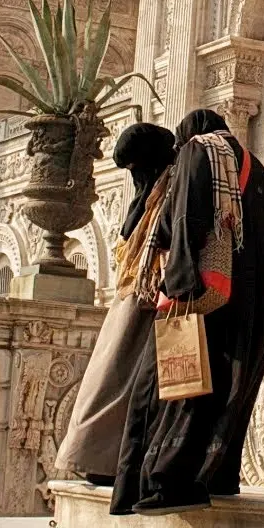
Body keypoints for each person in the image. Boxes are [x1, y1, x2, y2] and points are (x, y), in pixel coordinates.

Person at [111, 108, 264, 514]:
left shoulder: (198, 150)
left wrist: (176, 284)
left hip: (207, 290)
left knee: (169, 384)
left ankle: (161, 483)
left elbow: (186, 215)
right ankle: (215, 475)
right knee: (228, 385)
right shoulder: (253, 165)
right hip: (262, 292)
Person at [54, 122, 175, 488]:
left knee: (113, 384)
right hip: (142, 305)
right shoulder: (161, 192)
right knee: (120, 386)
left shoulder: (148, 197)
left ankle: (100, 459)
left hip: (132, 304)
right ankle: (103, 460)